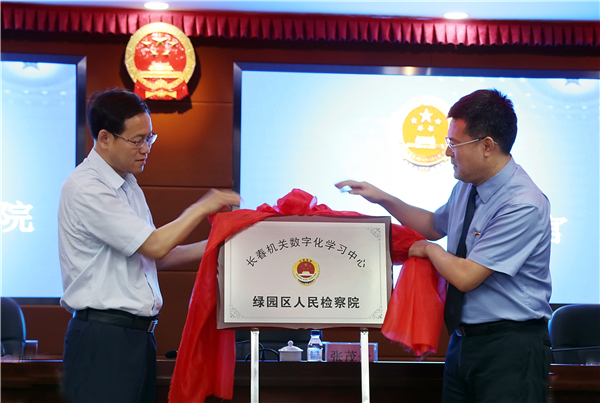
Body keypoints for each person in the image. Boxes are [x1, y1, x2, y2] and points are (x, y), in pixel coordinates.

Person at [336, 89, 552, 403]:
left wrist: (428, 249)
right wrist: (382, 198)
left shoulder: (523, 204)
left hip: (510, 347)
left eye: (454, 143)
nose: (448, 152)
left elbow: (466, 276)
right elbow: (432, 225)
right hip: (463, 342)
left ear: (487, 146)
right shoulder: (467, 186)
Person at [58, 88, 240, 403]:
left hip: (137, 337)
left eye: (149, 138)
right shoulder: (87, 187)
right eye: (137, 140)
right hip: (103, 338)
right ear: (105, 138)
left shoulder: (128, 185)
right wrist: (201, 207)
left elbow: (159, 256)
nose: (145, 149)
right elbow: (155, 246)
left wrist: (221, 244)